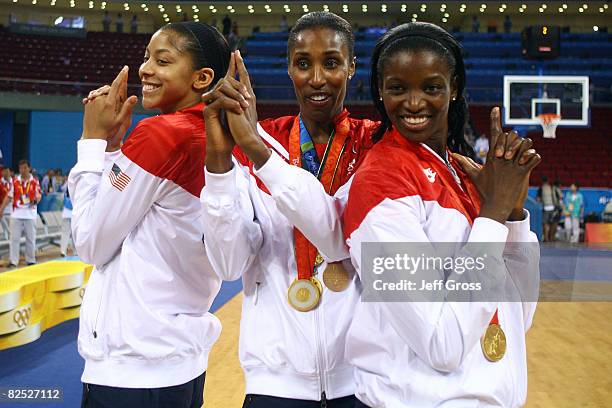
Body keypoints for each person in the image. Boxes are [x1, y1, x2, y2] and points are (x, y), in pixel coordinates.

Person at [341, 22, 541, 407]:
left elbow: (517, 318)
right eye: (398, 88)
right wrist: (494, 211)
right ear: (380, 92)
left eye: (431, 87)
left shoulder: (462, 174)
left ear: (454, 90)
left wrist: (513, 215)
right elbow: (442, 344)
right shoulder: (380, 183)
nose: (414, 103)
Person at [201, 11, 379, 407]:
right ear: (289, 69)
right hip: (274, 384)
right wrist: (218, 163)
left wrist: (259, 152)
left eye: (331, 63)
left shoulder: (376, 145)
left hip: (363, 382)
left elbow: (342, 241)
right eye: (304, 64)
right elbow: (229, 265)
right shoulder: (257, 142)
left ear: (351, 66)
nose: (317, 78)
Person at [71, 22, 230, 408]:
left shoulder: (161, 134)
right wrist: (113, 150)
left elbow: (91, 242)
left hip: (131, 370)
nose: (145, 70)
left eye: (163, 61)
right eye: (146, 58)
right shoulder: (213, 133)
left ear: (201, 77)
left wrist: (91, 142)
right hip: (182, 365)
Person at [9, 159, 42, 267]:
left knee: (30, 238)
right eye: (20, 168)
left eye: (25, 168)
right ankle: (13, 261)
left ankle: (31, 260)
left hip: (30, 214)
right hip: (16, 214)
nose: (22, 170)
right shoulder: (15, 181)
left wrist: (36, 201)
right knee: (14, 239)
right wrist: (1, 208)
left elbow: (39, 195)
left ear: (29, 168)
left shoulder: (35, 181)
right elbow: (9, 196)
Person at [536, 175, 559, 242]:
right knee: (553, 223)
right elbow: (558, 197)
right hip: (553, 208)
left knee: (545, 223)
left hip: (545, 208)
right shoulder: (552, 187)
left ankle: (546, 238)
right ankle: (551, 237)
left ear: (542, 181)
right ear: (548, 181)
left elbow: (538, 199)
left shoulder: (541, 188)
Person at [59, 181, 73, 257]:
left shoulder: (67, 184)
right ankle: (63, 251)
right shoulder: (68, 184)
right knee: (72, 233)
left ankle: (63, 250)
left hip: (71, 214)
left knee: (68, 233)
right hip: (69, 214)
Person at [0, 167, 13, 240]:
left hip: (13, 211)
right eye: (5, 172)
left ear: (10, 172)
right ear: (2, 173)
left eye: (8, 172)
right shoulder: (0, 184)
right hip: (3, 212)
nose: (7, 173)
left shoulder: (15, 183)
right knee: (5, 232)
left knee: (13, 231)